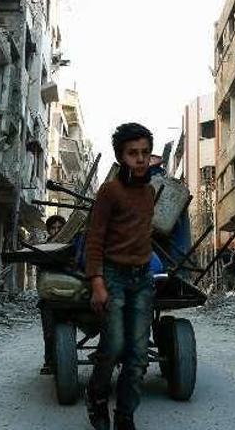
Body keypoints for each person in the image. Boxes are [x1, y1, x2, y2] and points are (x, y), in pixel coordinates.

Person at [85, 123, 156, 430]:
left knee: (139, 354)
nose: (140, 159)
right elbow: (94, 238)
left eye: (144, 153)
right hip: (113, 276)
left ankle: (125, 416)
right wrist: (97, 283)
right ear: (120, 157)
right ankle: (97, 397)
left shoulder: (150, 191)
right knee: (113, 347)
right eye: (132, 154)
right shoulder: (110, 191)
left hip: (142, 280)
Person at [39, 214, 67, 375]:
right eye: (53, 228)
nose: (56, 231)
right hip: (50, 297)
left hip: (69, 295)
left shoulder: (71, 245)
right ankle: (49, 361)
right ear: (49, 231)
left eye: (59, 227)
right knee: (49, 332)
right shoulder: (43, 249)